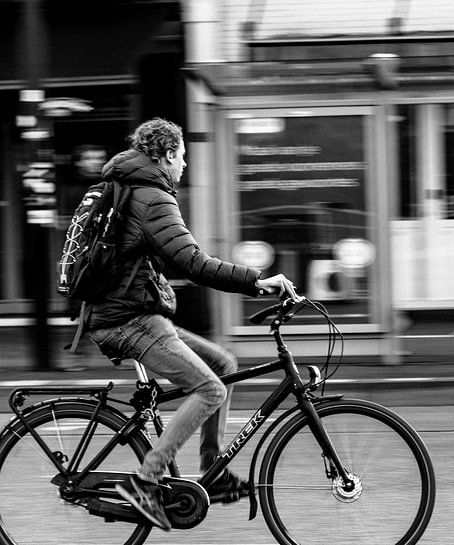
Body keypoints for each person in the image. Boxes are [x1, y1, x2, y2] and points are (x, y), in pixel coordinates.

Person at [85, 118, 296, 531]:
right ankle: (146, 482)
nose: (185, 164)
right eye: (182, 156)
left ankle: (211, 470)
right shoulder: (151, 197)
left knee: (223, 363)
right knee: (210, 389)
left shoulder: (133, 188)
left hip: (134, 313)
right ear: (166, 155)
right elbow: (194, 263)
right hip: (127, 319)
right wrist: (257, 281)